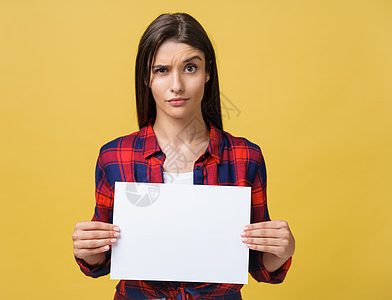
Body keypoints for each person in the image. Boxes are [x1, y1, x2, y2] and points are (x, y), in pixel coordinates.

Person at [72, 12, 295, 300]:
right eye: (161, 70)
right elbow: (101, 262)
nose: (176, 84)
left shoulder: (245, 156)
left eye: (190, 68)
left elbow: (259, 265)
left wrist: (282, 249)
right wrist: (88, 249)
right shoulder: (114, 156)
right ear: (146, 77)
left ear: (208, 72)